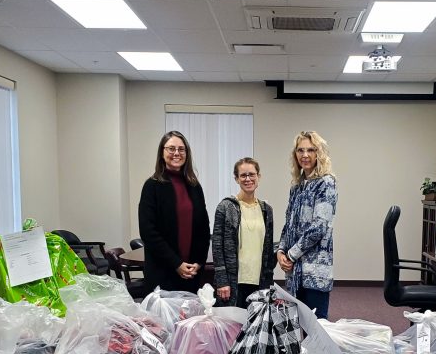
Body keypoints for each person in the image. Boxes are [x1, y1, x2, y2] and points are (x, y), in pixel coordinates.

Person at [138, 131, 211, 294]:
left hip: (191, 273)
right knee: (162, 320)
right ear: (162, 153)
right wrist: (176, 263)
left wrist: (198, 262)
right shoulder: (152, 186)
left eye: (181, 149)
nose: (176, 153)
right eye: (171, 149)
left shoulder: (194, 186)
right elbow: (148, 231)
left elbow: (203, 228)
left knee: (190, 319)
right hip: (162, 272)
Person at [277, 131, 337, 319]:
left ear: (319, 153)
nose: (305, 155)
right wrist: (280, 251)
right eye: (300, 150)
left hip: (315, 271)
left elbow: (319, 227)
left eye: (311, 150)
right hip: (295, 272)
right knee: (295, 327)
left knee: (316, 331)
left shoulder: (326, 183)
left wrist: (291, 255)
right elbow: (289, 225)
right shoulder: (297, 186)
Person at [212, 158, 275, 308]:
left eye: (252, 174)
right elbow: (217, 246)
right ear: (236, 179)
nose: (248, 179)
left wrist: (268, 282)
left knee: (256, 327)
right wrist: (222, 281)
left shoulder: (267, 210)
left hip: (259, 281)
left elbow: (268, 248)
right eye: (243, 175)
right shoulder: (225, 207)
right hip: (233, 282)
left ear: (258, 177)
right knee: (233, 328)